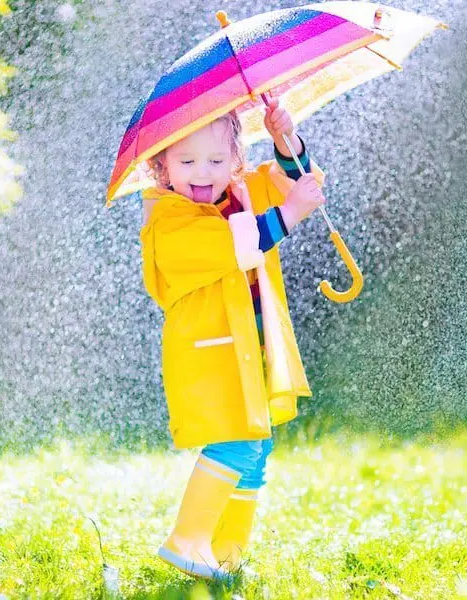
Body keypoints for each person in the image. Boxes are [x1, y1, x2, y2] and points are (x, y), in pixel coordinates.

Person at [139, 97, 326, 579]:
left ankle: (227, 556)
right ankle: (187, 538)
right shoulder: (168, 218)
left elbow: (299, 184)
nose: (202, 172)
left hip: (254, 349)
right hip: (212, 357)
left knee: (256, 448)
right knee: (236, 444)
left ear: (237, 161)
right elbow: (238, 245)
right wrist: (288, 215)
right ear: (161, 167)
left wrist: (287, 139)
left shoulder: (241, 191)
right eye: (186, 161)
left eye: (217, 160)